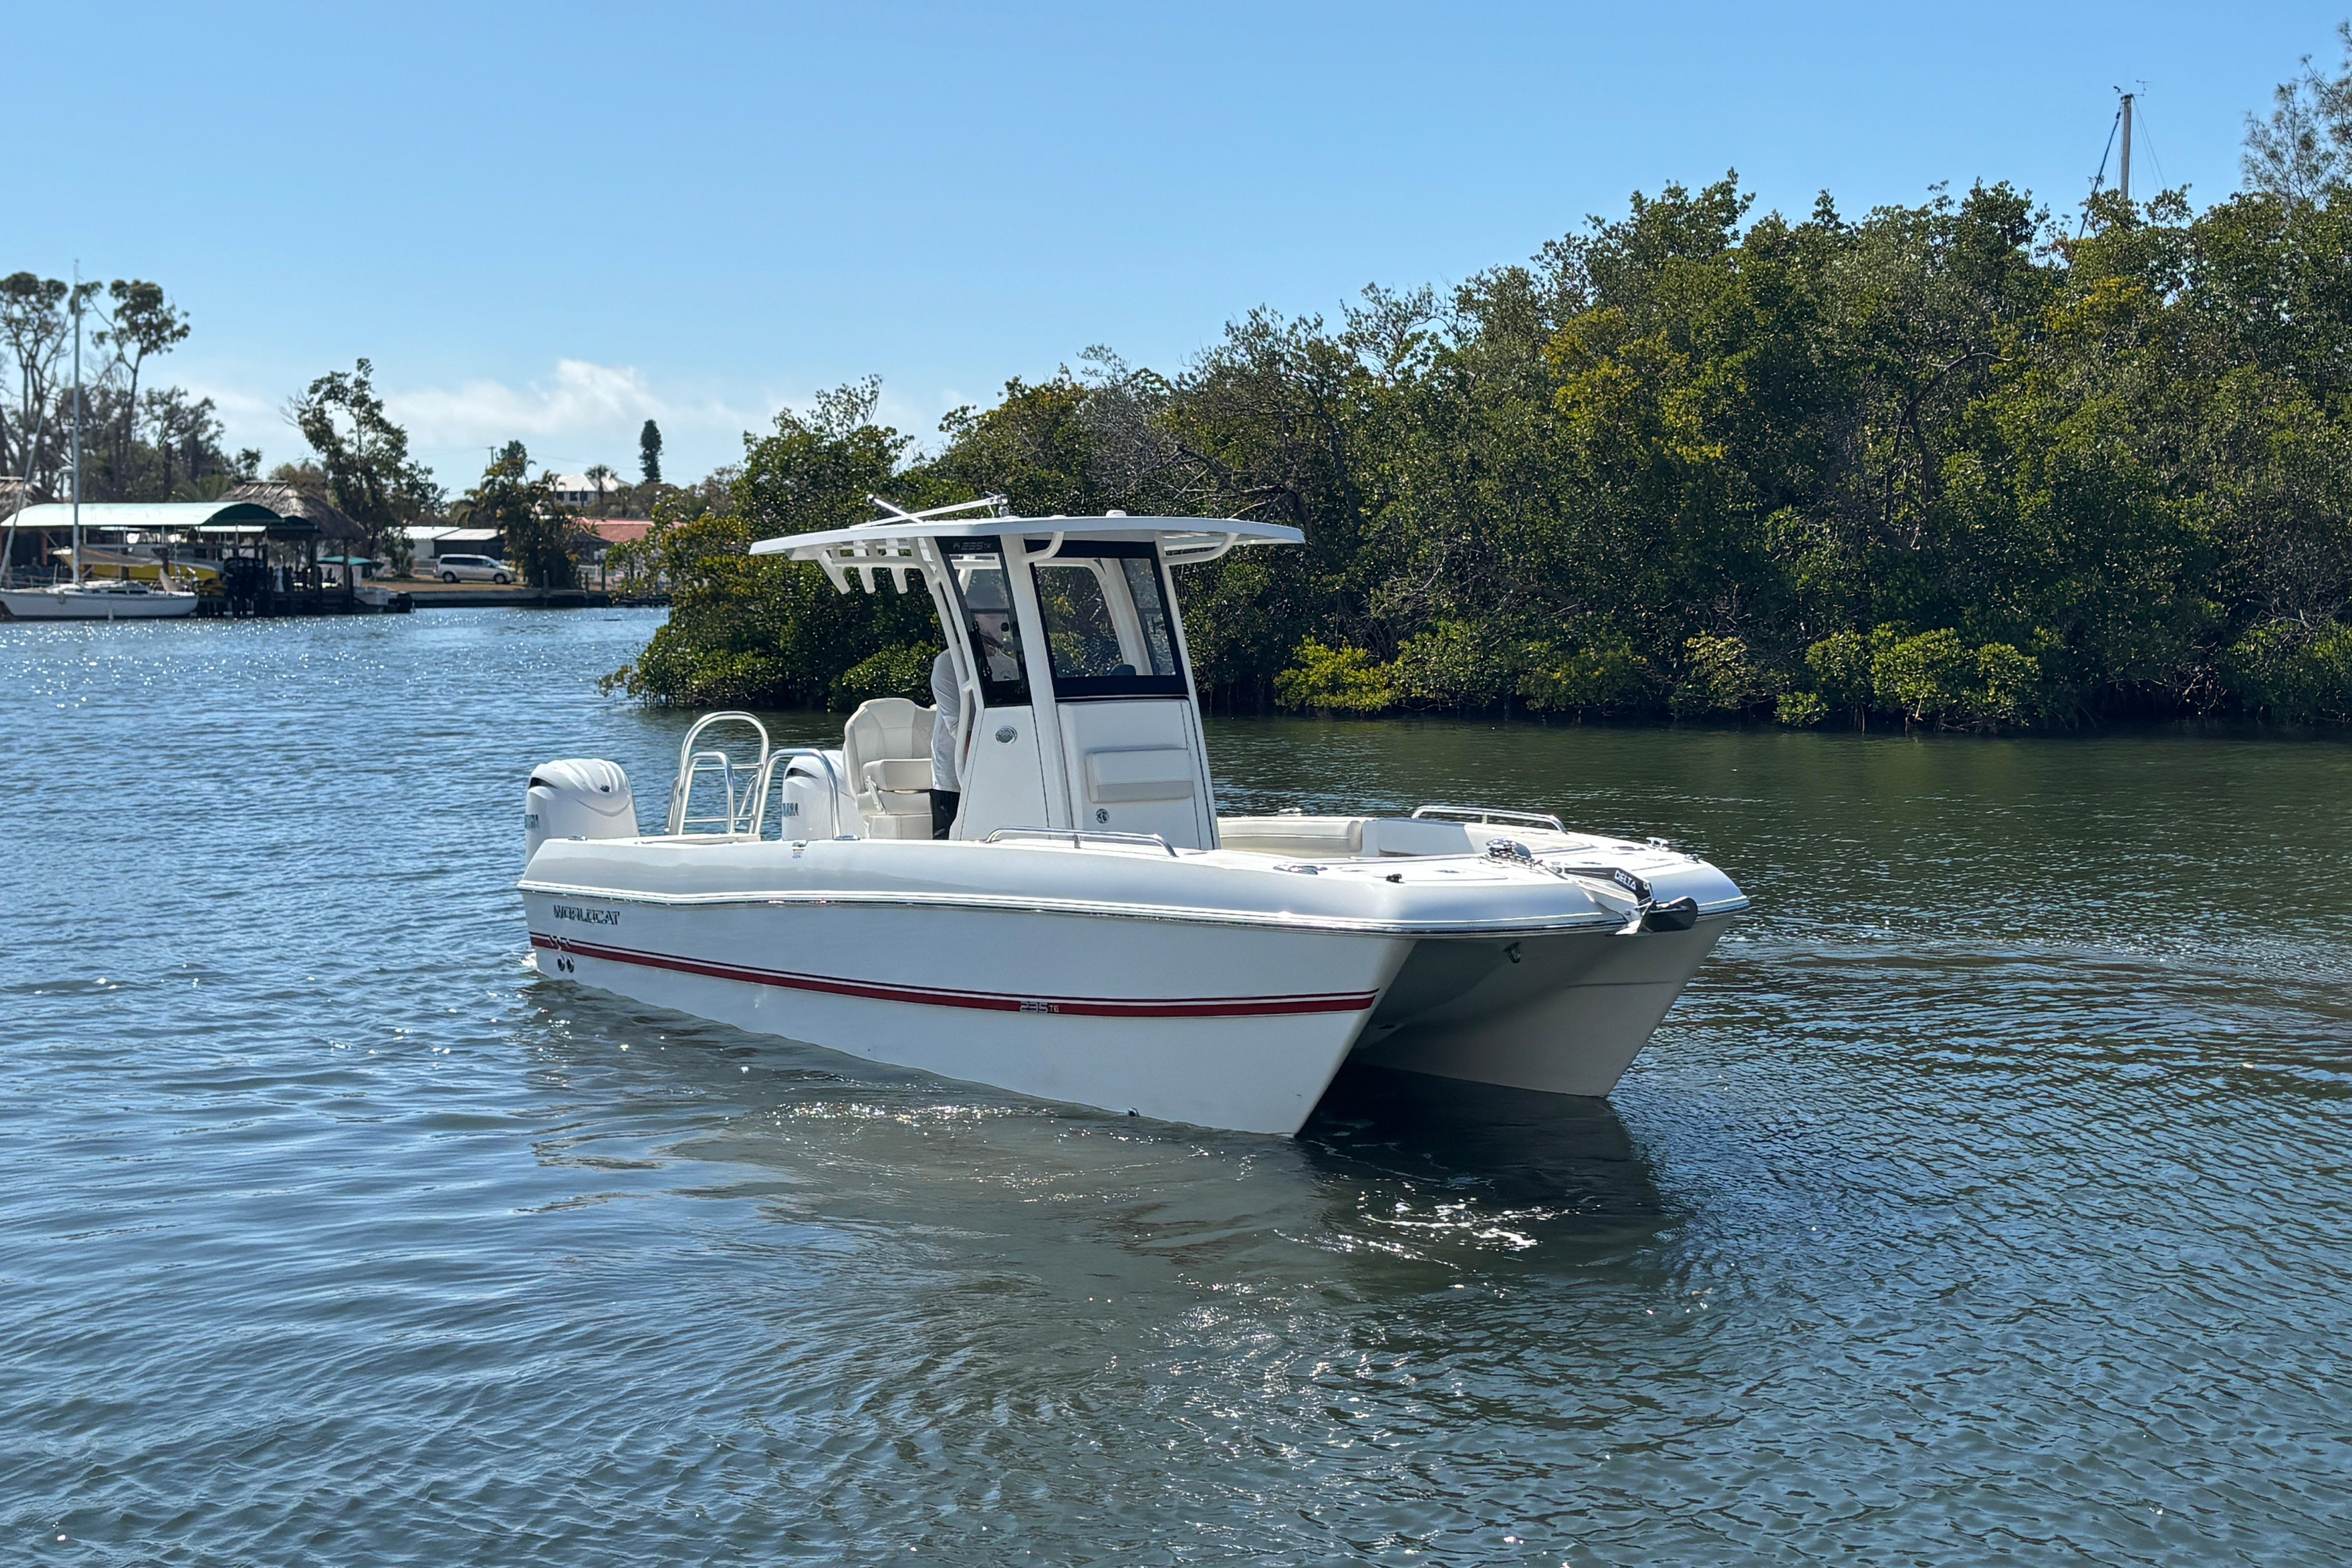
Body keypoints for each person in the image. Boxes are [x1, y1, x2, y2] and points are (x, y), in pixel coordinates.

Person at [929, 648, 961, 839]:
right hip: (953, 779)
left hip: (995, 776)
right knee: (949, 842)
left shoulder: (1009, 663)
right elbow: (957, 726)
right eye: (990, 615)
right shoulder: (948, 662)